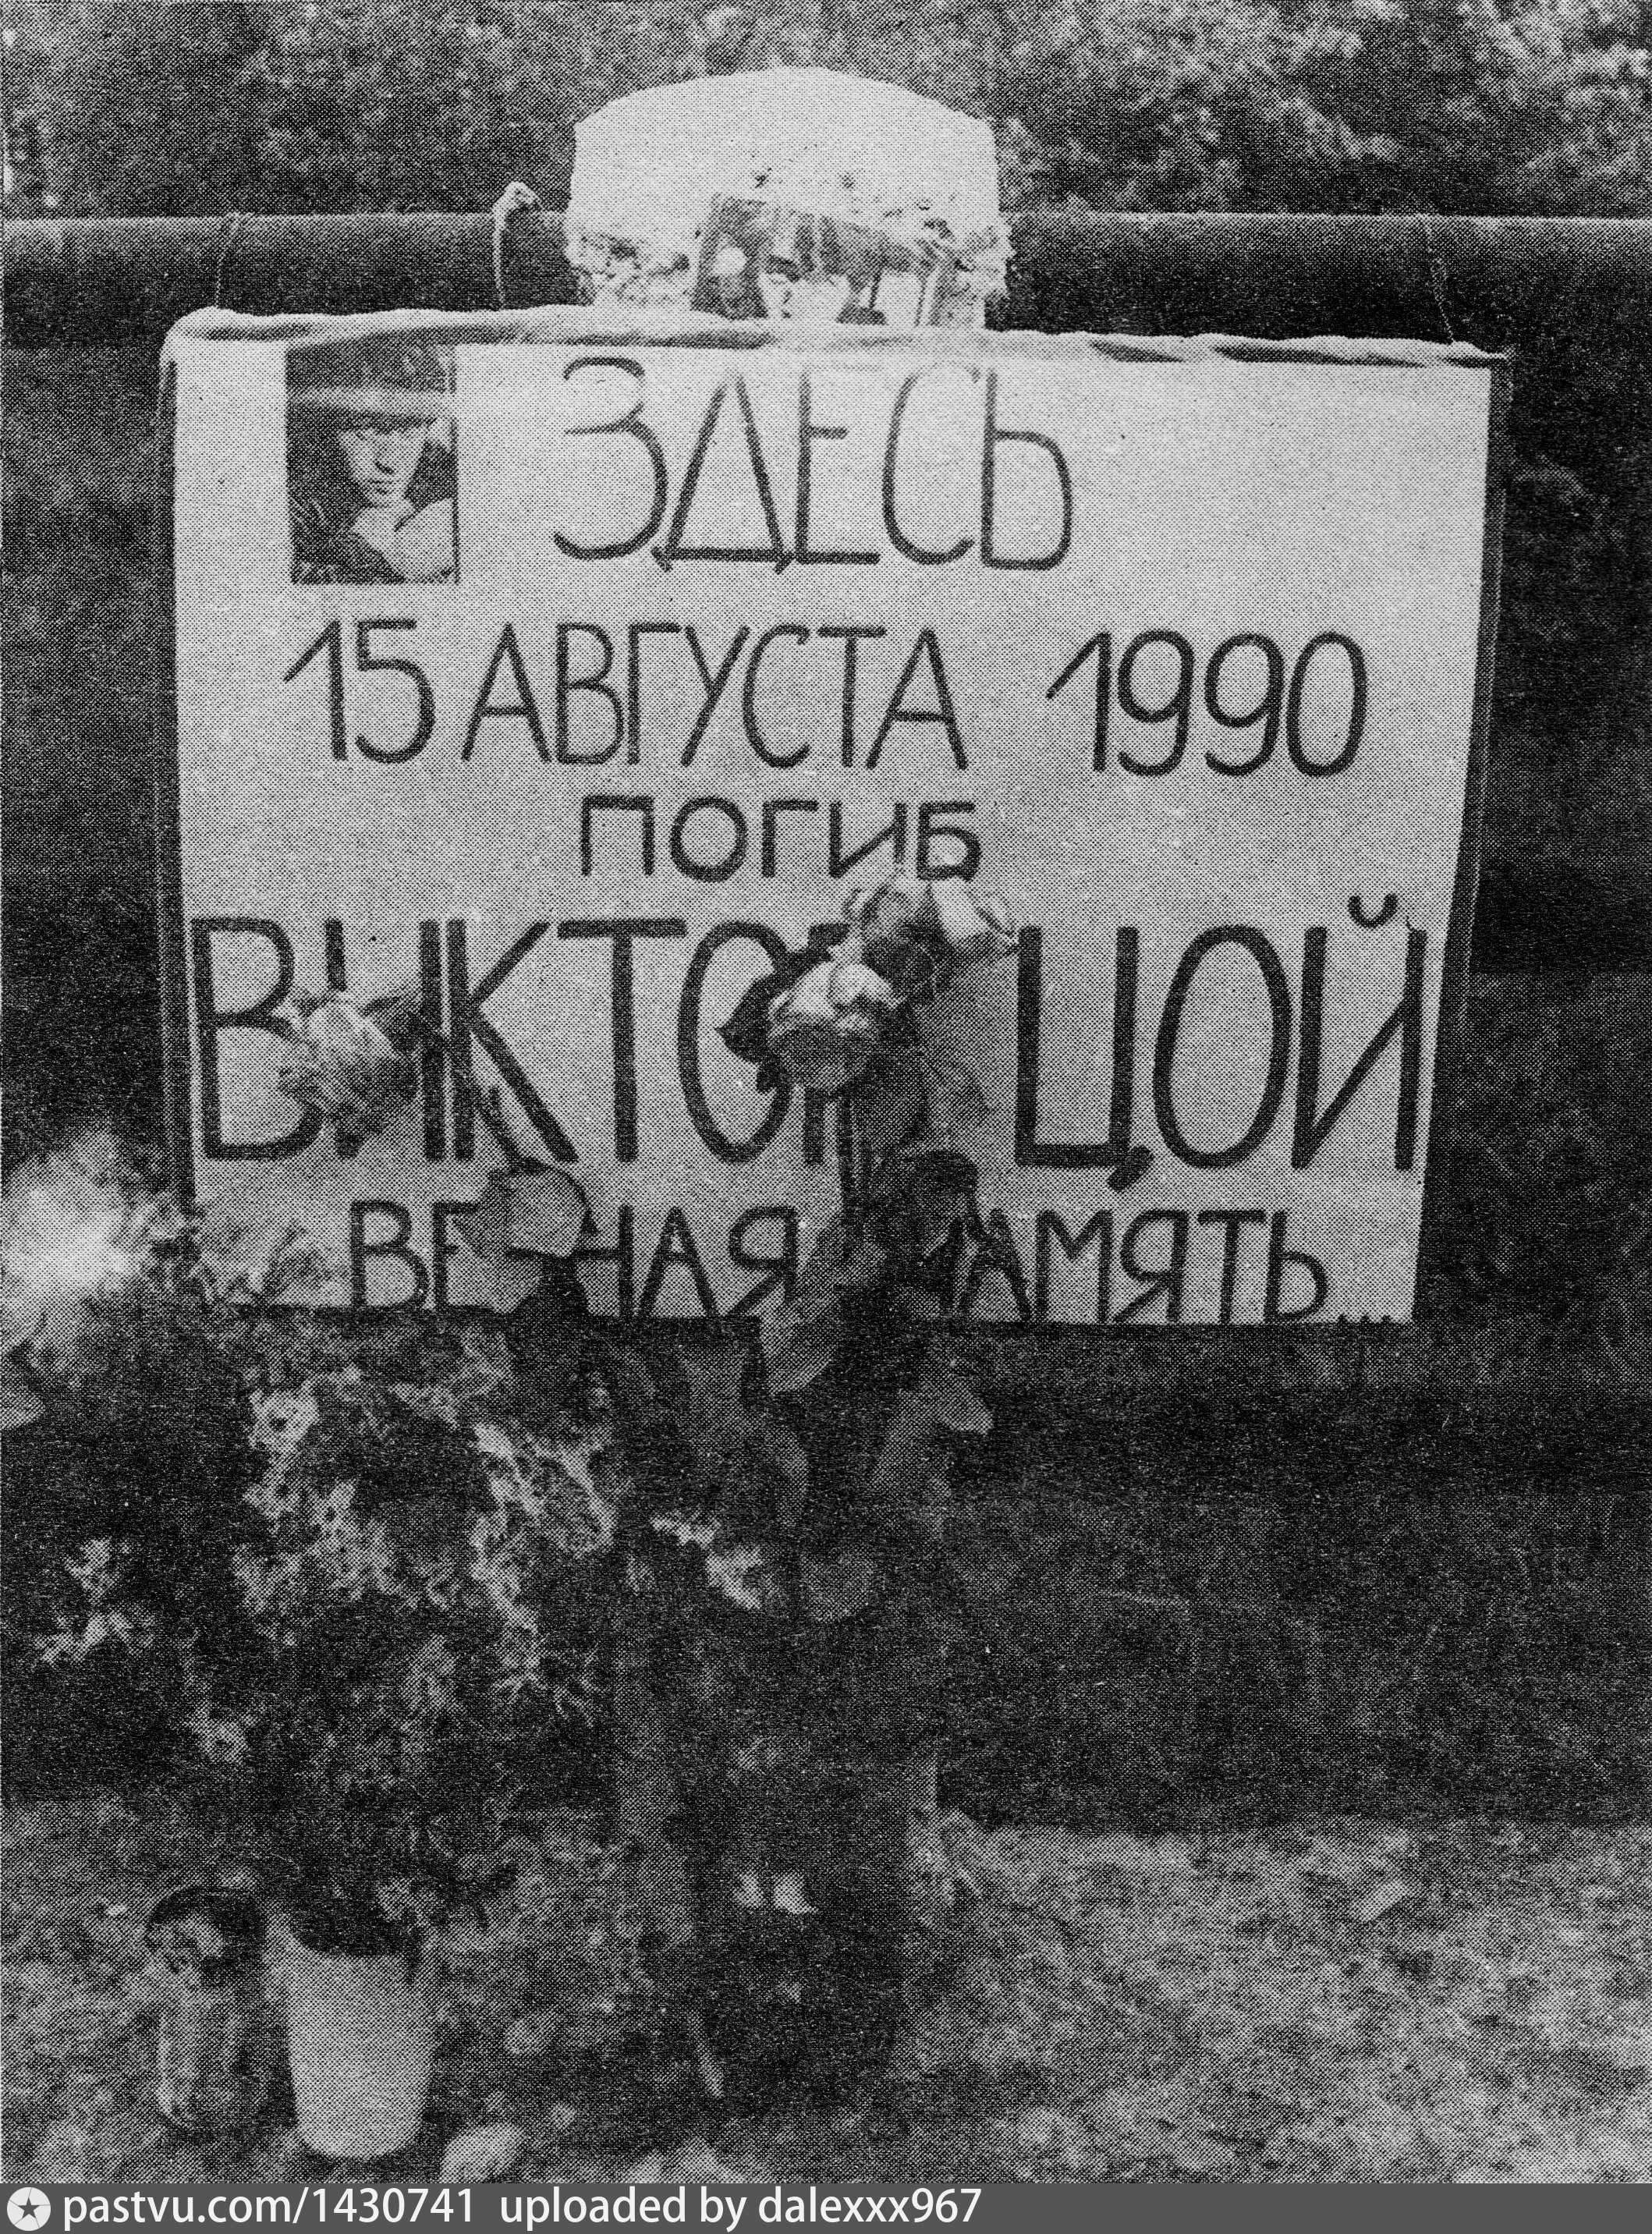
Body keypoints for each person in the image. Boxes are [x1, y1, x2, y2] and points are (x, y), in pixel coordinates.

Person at [287, 342, 457, 584]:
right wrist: (365, 552)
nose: (390, 462)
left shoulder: (442, 469)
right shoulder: (292, 497)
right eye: (365, 433)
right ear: (327, 429)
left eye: (409, 432)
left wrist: (408, 511)